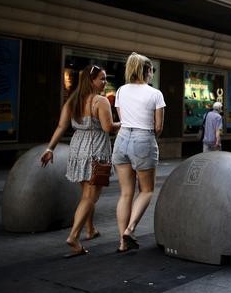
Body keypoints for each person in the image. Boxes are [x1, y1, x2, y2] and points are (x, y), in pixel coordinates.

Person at [41, 65, 119, 258]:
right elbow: (108, 127)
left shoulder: (73, 101)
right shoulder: (100, 101)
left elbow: (61, 126)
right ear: (91, 81)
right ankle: (73, 237)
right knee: (90, 197)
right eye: (102, 78)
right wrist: (125, 123)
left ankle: (90, 229)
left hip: (77, 150)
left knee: (86, 193)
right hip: (97, 151)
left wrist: (50, 148)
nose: (105, 82)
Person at [112, 53, 166, 253]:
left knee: (126, 193)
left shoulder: (120, 91)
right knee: (146, 190)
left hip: (122, 139)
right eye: (152, 70)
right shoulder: (155, 94)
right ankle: (130, 228)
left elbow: (122, 118)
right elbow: (158, 126)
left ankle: (121, 242)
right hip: (144, 138)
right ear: (147, 71)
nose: (152, 74)